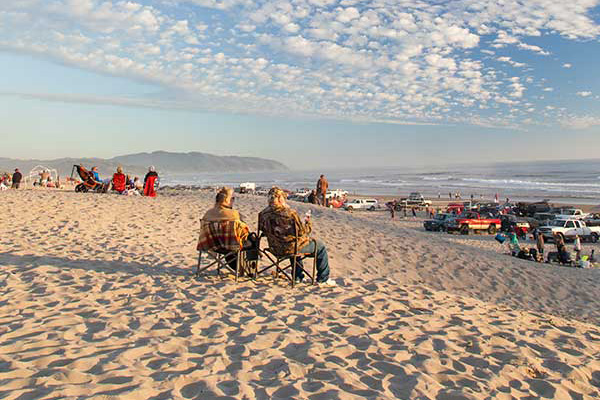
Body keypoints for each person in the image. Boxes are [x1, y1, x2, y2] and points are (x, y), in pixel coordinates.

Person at [259, 187, 335, 286]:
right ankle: (323, 279)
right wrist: (308, 223)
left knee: (292, 241)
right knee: (320, 246)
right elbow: (302, 232)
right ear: (281, 199)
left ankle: (298, 276)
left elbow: (262, 230)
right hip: (289, 248)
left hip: (274, 248)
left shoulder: (263, 214)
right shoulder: (289, 213)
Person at [198, 187, 251, 271]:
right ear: (226, 200)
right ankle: (246, 269)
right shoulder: (234, 214)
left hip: (212, 245)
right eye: (232, 198)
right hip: (231, 246)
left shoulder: (208, 214)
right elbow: (244, 233)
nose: (233, 200)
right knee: (251, 239)